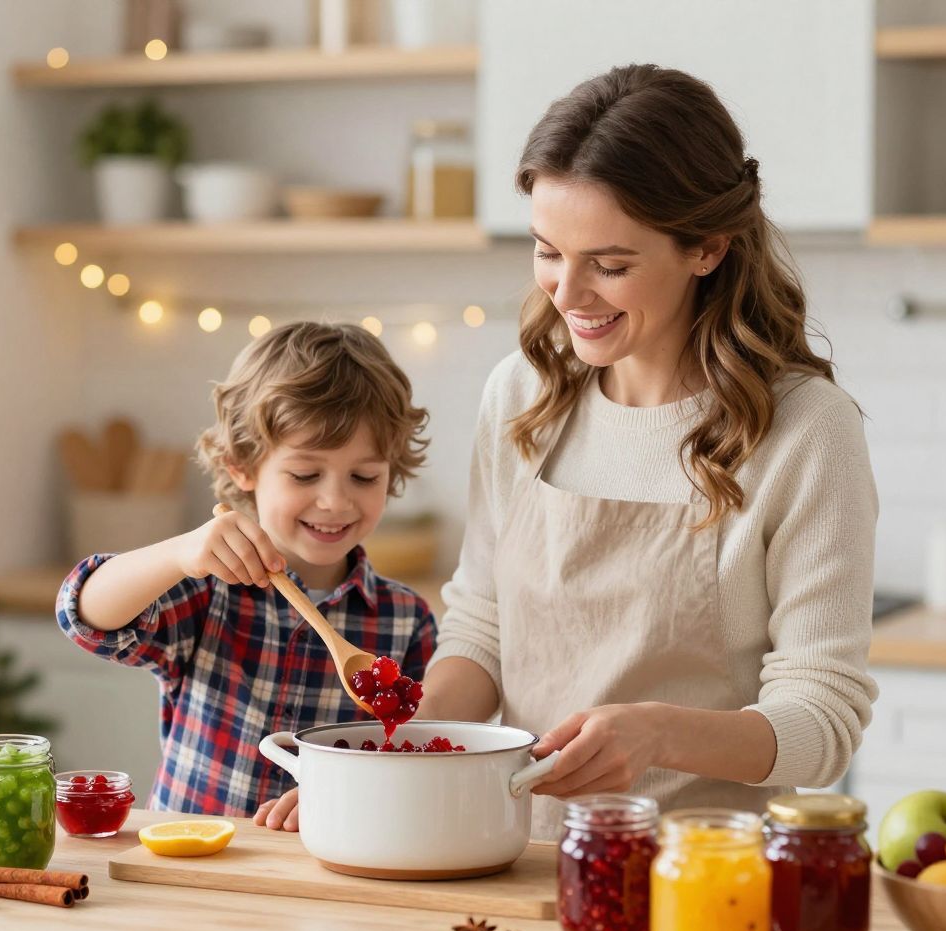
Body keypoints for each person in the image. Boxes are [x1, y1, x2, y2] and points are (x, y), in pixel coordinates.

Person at [259, 64, 879, 839]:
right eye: (547, 251)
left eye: (610, 265)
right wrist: (393, 753)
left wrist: (660, 732)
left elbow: (822, 720)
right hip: (508, 855)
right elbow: (483, 628)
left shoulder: (805, 431)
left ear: (708, 249)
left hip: (693, 875)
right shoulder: (522, 395)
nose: (568, 293)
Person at [56, 321, 436, 822]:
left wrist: (353, 787)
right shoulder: (205, 588)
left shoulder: (406, 620)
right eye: (305, 474)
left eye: (364, 476)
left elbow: (411, 760)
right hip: (191, 867)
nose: (336, 500)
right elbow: (83, 615)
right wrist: (177, 555)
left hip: (328, 871)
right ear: (242, 465)